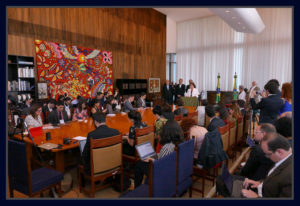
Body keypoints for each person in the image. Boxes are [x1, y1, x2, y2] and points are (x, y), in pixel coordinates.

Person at [134, 120, 184, 188]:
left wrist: (151, 159)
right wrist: (155, 156)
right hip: (172, 168)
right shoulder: (180, 141)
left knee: (139, 164)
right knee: (142, 162)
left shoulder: (167, 146)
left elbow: (160, 163)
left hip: (162, 172)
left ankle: (137, 188)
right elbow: (164, 157)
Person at [241, 132, 292, 198]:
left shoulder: (290, 176)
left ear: (280, 152)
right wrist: (260, 183)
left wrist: (256, 197)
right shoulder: (283, 159)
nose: (267, 157)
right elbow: (275, 179)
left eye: (268, 154)